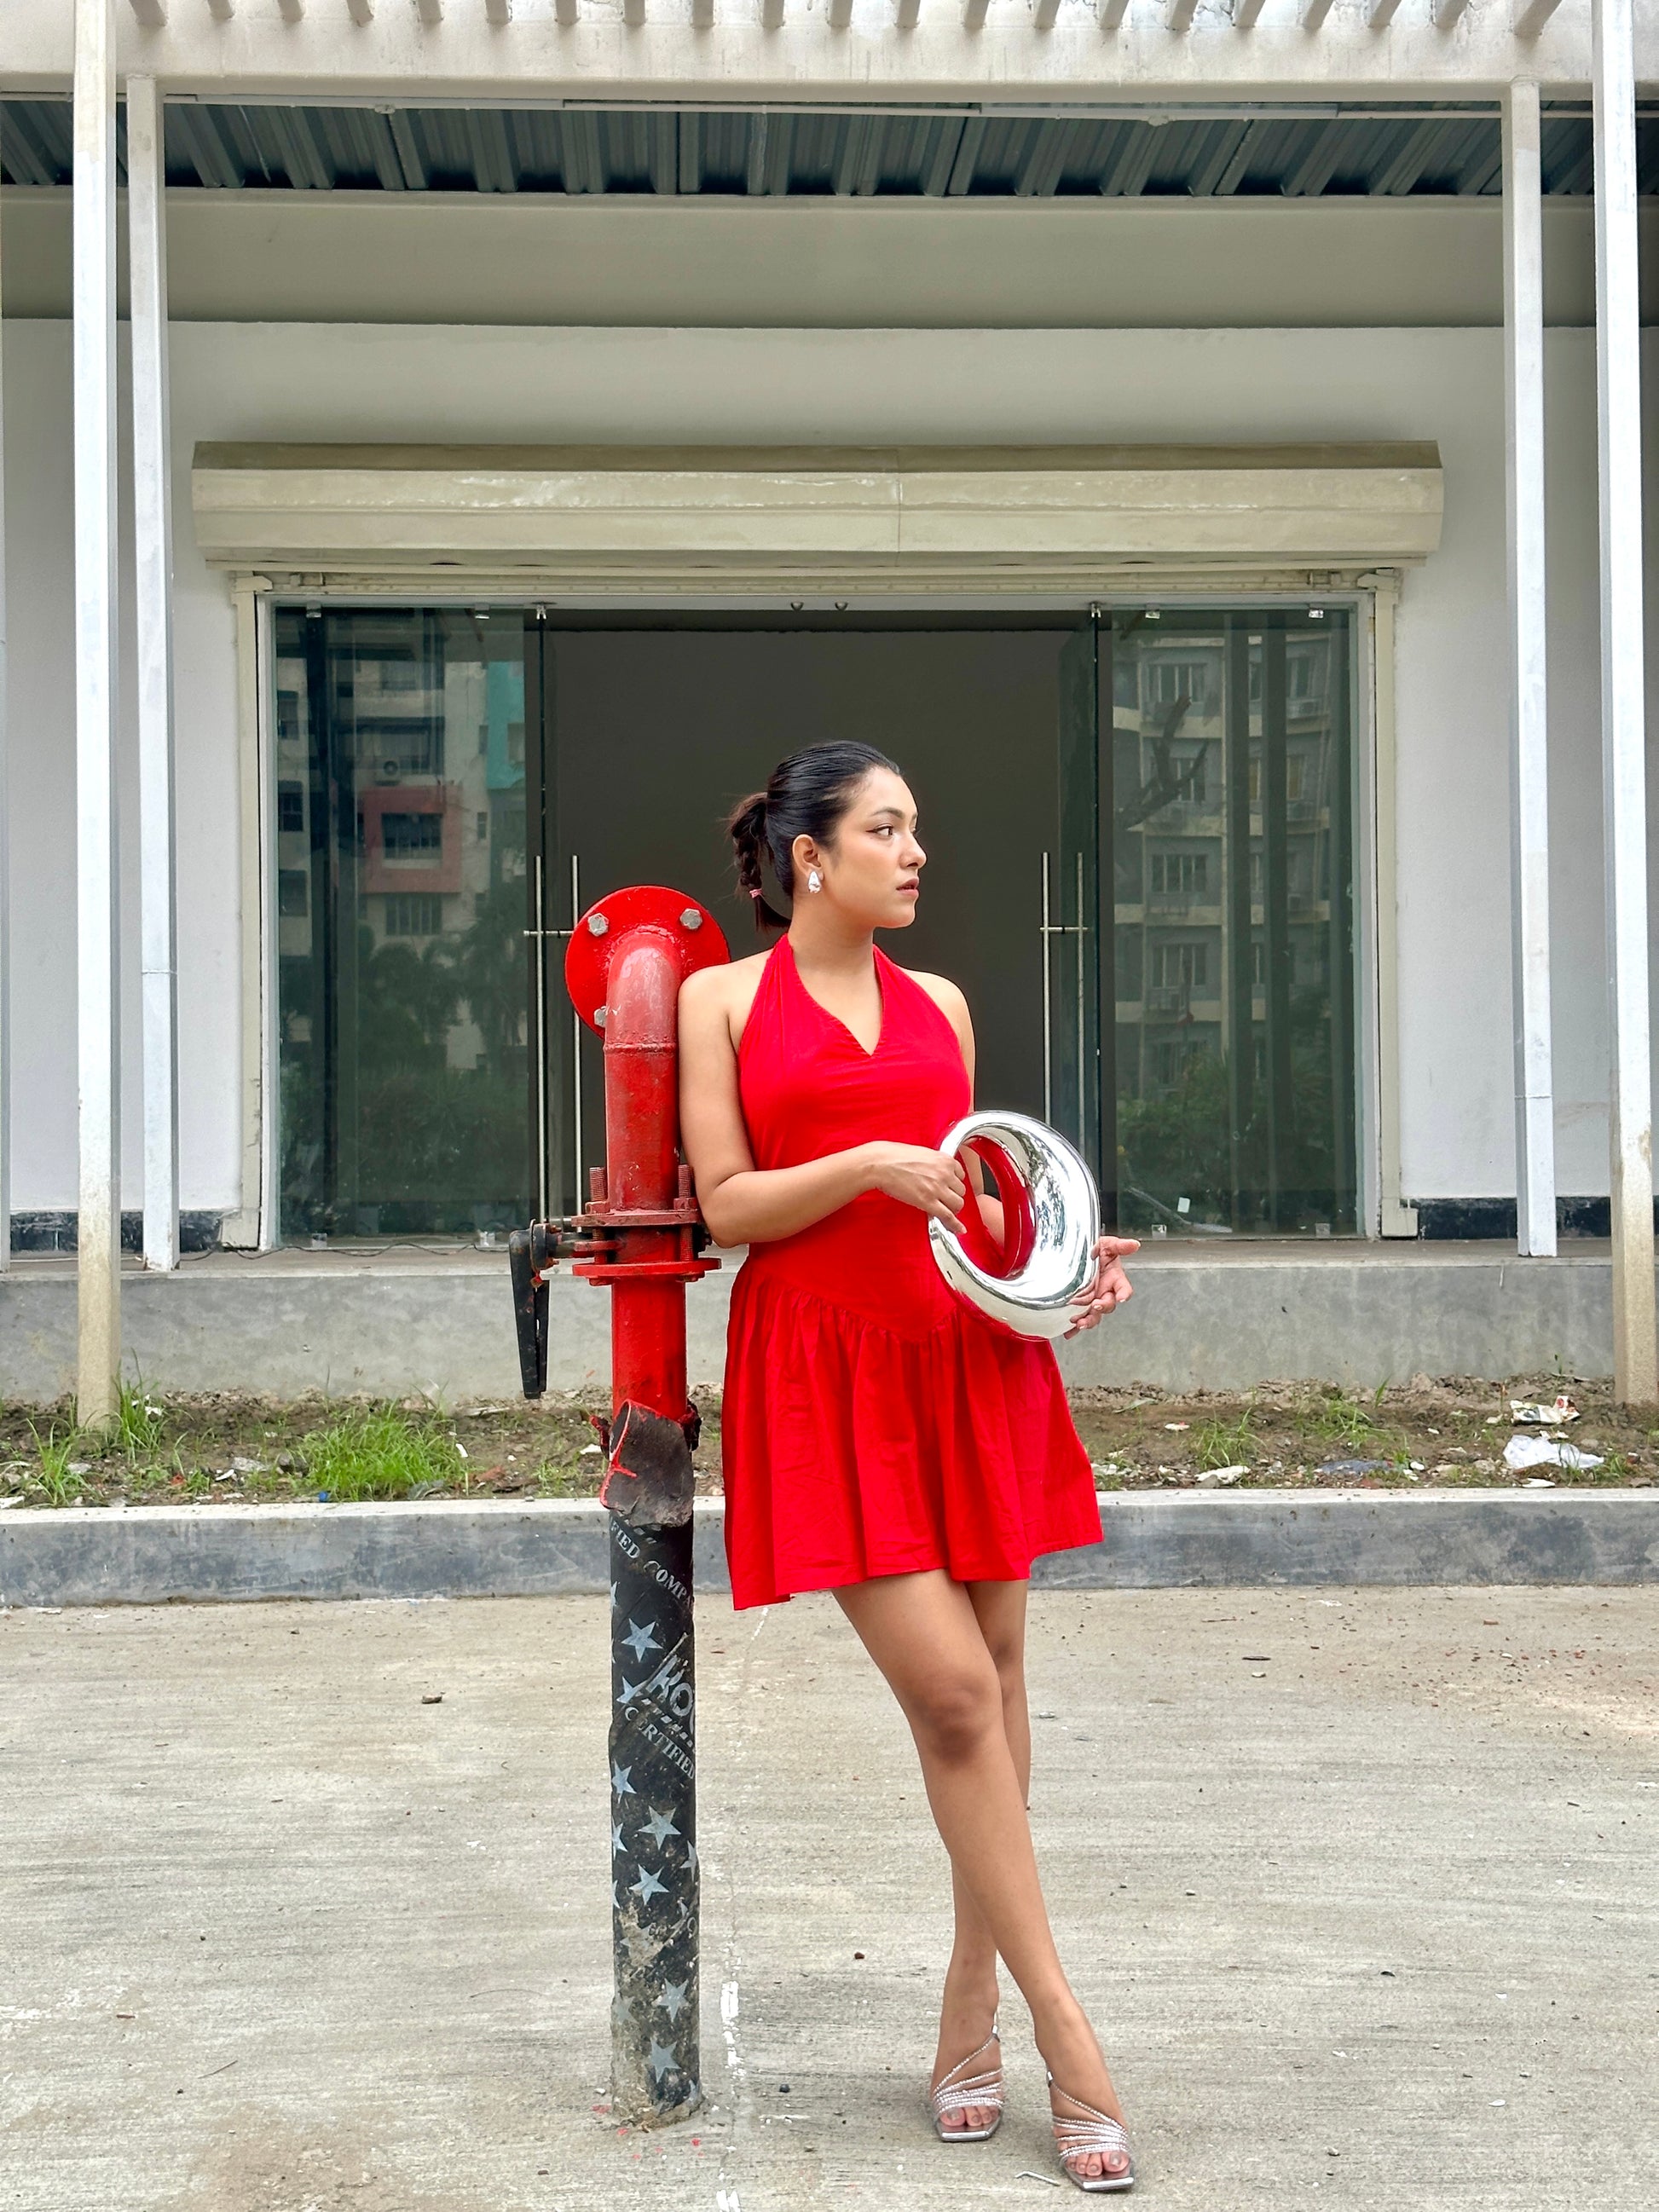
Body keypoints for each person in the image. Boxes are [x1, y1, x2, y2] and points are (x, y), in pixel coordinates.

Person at [678, 742, 1142, 2192]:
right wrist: (871, 1163)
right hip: (818, 1370)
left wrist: (1059, 1275)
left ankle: (963, 2010)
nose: (915, 852)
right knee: (950, 1694)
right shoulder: (719, 1001)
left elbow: (979, 1196)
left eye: (916, 829)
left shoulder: (938, 1002)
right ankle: (1068, 2036)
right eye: (887, 829)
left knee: (994, 1696)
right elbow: (733, 1202)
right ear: (808, 855)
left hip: (967, 1356)